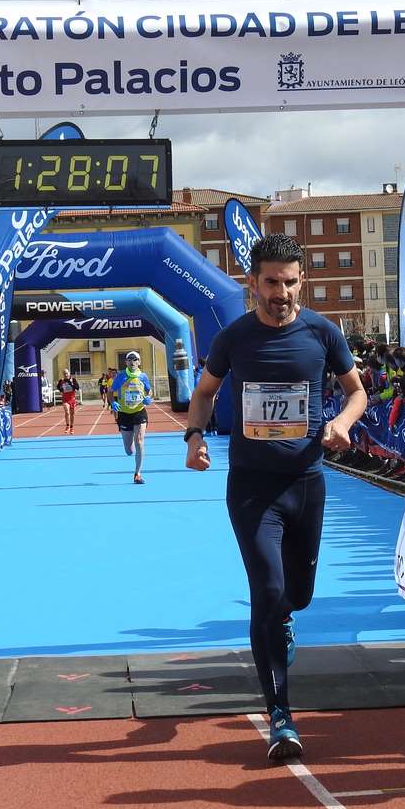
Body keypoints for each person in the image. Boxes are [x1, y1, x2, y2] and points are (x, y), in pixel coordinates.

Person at [183, 233, 367, 762]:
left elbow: (356, 391)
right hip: (251, 486)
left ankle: (283, 618)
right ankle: (281, 715)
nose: (280, 292)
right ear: (253, 283)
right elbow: (203, 393)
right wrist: (194, 438)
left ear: (301, 281)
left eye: (289, 282)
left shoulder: (323, 332)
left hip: (306, 482)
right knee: (266, 591)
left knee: (297, 596)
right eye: (271, 282)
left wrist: (342, 422)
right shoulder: (234, 337)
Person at [111, 351, 152, 483]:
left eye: (135, 359)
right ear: (126, 362)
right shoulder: (120, 377)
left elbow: (149, 390)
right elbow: (110, 392)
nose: (132, 362)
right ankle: (132, 451)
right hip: (124, 414)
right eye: (129, 359)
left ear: (139, 362)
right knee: (129, 450)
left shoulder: (143, 376)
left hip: (139, 412)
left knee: (139, 441)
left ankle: (137, 474)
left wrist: (148, 398)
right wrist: (113, 402)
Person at [56, 369, 81, 433]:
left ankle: (71, 427)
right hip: (65, 399)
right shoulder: (61, 381)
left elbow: (77, 387)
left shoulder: (73, 380)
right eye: (64, 373)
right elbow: (58, 387)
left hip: (72, 399)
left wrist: (71, 384)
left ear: (69, 373)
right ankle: (67, 426)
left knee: (72, 414)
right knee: (67, 412)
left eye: (66, 373)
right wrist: (61, 389)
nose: (65, 375)